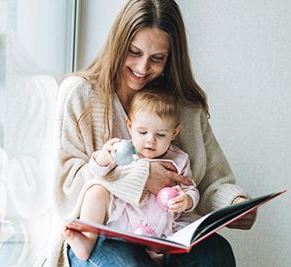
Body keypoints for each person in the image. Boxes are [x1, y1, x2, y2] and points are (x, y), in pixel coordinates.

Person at [54, 0, 257, 266]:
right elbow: (66, 185)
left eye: (157, 58)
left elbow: (211, 182)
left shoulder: (183, 107)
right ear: (118, 44)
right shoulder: (80, 94)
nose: (142, 68)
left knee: (217, 252)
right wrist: (141, 176)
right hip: (100, 233)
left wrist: (236, 204)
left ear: (171, 58)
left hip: (165, 231)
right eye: (133, 52)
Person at [64, 89, 200, 261]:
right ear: (129, 126)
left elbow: (190, 188)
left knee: (168, 251)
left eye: (160, 135)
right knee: (96, 191)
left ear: (174, 133)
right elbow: (97, 172)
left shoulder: (179, 160)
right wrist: (104, 157)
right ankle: (86, 240)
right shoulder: (124, 150)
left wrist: (186, 200)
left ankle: (156, 257)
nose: (150, 140)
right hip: (123, 218)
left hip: (158, 228)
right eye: (142, 132)